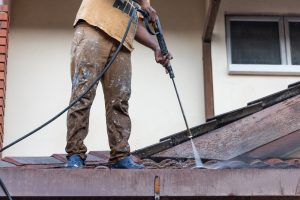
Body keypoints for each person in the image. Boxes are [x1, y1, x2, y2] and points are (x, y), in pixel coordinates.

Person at [65, 0, 173, 169]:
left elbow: (133, 24)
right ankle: (75, 154)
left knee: (120, 101)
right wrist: (144, 5)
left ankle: (120, 155)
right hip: (94, 28)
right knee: (83, 95)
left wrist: (156, 47)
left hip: (122, 43)